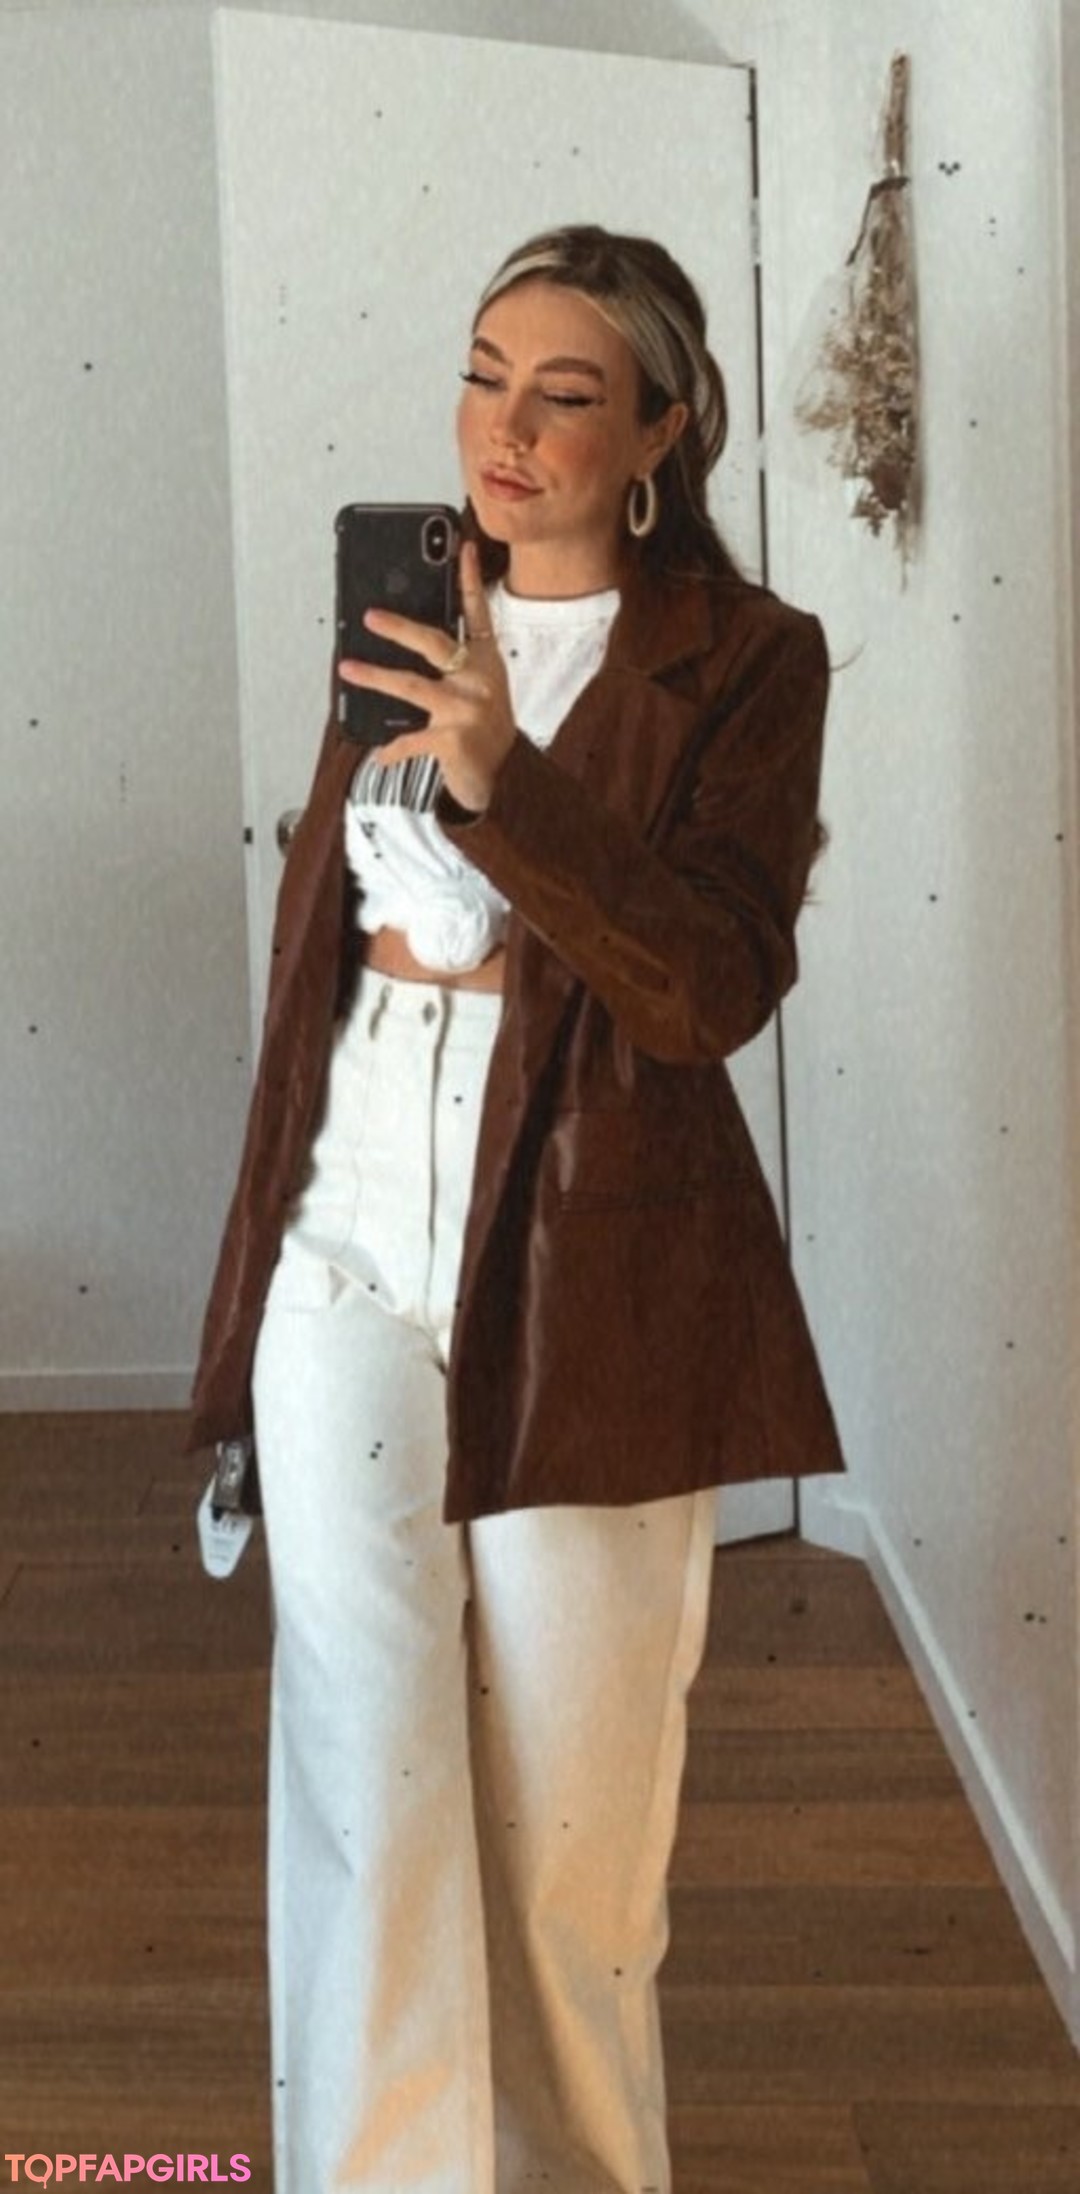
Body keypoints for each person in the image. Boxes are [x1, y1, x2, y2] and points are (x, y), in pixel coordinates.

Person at [188, 223, 846, 2194]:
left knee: (572, 1837)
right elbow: (324, 955)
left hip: (588, 1246)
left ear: (659, 433)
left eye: (566, 393)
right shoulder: (406, 608)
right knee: (363, 1771)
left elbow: (707, 986)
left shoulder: (745, 658)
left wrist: (505, 777)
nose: (507, 426)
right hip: (348, 1219)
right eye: (486, 373)